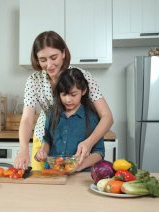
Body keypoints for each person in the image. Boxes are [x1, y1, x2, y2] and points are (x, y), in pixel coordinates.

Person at [14, 31, 113, 170]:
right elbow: (27, 119)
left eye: (53, 57)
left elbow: (107, 116)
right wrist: (23, 150)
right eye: (43, 60)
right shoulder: (34, 80)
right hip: (45, 137)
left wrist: (89, 142)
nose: (49, 65)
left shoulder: (81, 76)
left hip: (77, 139)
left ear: (63, 53)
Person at [34, 68, 105, 171]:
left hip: (80, 175)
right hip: (53, 172)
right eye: (63, 94)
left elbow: (99, 153)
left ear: (83, 91)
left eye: (73, 94)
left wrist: (80, 166)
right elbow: (47, 140)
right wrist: (43, 151)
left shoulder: (92, 118)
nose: (68, 100)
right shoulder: (51, 114)